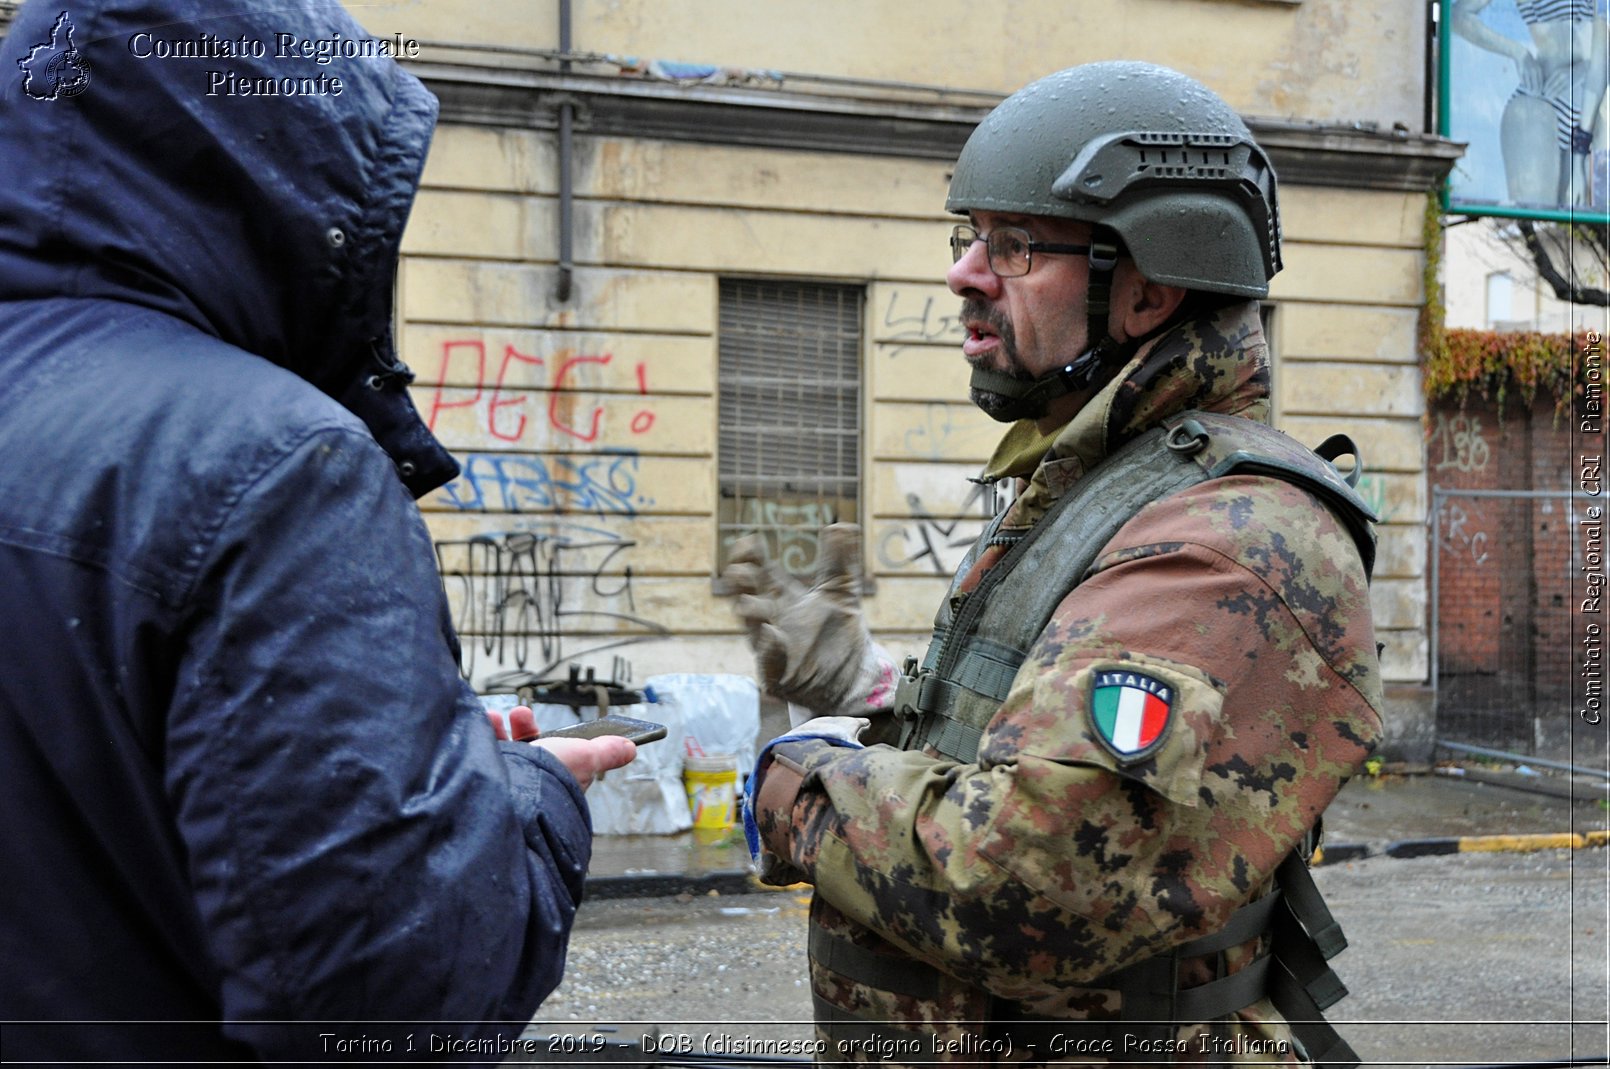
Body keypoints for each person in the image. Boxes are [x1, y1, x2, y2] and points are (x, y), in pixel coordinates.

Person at [0, 0, 633, 1062]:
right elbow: (389, 1001)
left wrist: (391, 763)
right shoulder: (272, 464)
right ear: (275, 187)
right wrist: (529, 803)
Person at [729, 61, 1383, 1067]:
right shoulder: (1110, 482)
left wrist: (799, 784)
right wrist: (872, 695)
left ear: (1147, 286)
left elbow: (1022, 882)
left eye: (1014, 245)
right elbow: (1037, 734)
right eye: (969, 239)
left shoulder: (1225, 542)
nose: (964, 274)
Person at [1451, 0, 1609, 208]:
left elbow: (1599, 59)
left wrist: (1583, 70)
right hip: (1540, 104)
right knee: (1538, 213)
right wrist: (1517, 51)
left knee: (1579, 227)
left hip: (1589, 115)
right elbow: (1457, 16)